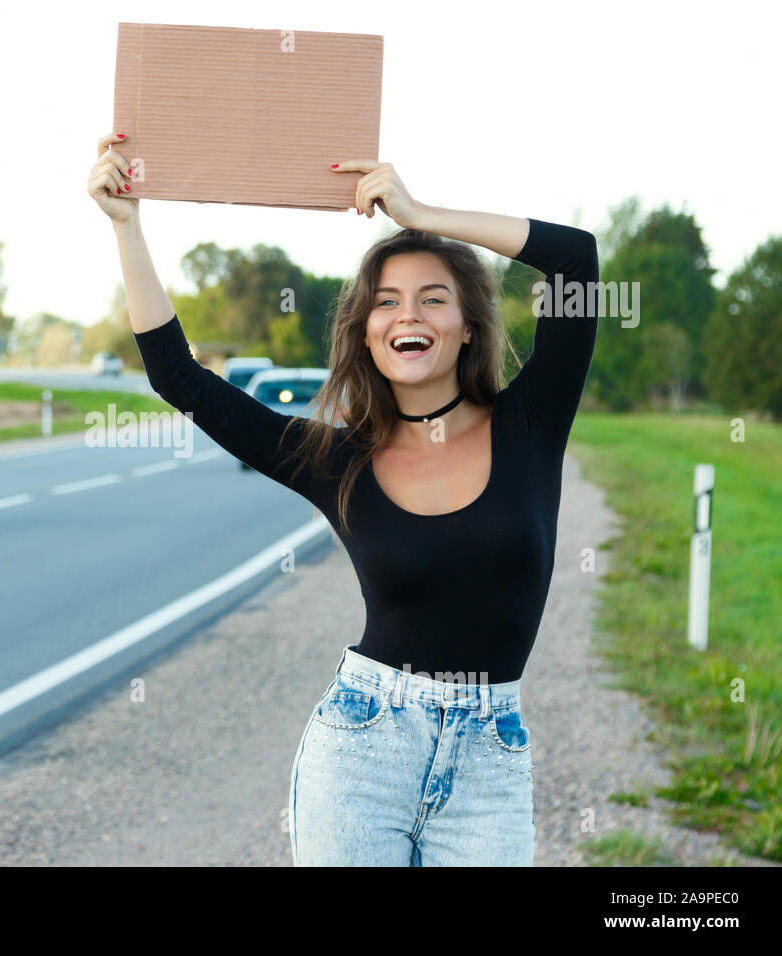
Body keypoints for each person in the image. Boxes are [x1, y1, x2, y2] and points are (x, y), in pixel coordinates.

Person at [87, 132, 599, 866]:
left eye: (433, 298)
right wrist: (127, 227)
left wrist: (419, 212)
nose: (408, 315)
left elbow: (575, 258)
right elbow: (180, 379)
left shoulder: (531, 423)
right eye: (386, 302)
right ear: (366, 334)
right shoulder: (334, 460)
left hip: (490, 760)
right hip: (362, 752)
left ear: (467, 329)